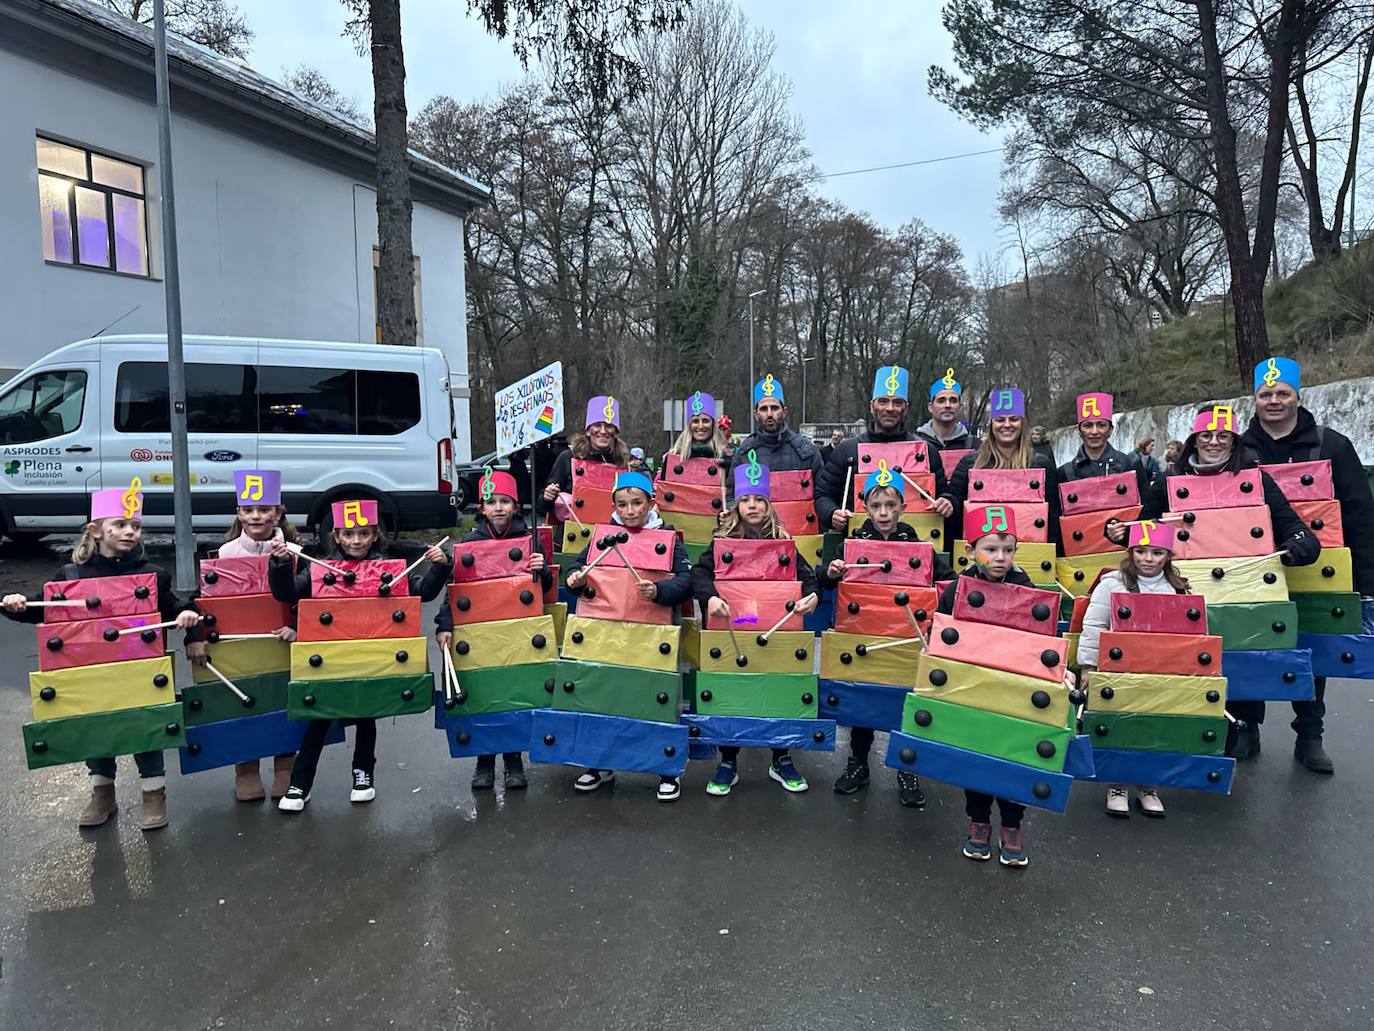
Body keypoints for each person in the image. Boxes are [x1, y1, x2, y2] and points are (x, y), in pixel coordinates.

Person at [2, 480, 202, 831]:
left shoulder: (151, 575)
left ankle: (154, 794)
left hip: (138, 667)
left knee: (146, 727)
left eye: (136, 526)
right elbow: (43, 608)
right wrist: (16, 605)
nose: (129, 532)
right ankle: (102, 793)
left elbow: (178, 606)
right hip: (89, 668)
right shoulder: (71, 575)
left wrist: (189, 623)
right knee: (96, 728)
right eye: (120, 525)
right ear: (96, 531)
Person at [1141, 404, 1320, 758]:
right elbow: (1145, 530)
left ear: (1234, 441)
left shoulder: (1256, 480)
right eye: (1206, 435)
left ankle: (1245, 725)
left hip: (1243, 588)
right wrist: (1117, 533)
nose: (1213, 442)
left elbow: (1292, 526)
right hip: (1188, 589)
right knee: (1190, 659)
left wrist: (1299, 545)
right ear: (1194, 440)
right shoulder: (1169, 483)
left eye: (1223, 436)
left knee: (1239, 653)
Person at [269, 500, 451, 811]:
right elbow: (286, 593)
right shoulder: (318, 570)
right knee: (319, 718)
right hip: (330, 657)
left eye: (363, 534)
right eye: (349, 534)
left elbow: (423, 592)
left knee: (368, 714)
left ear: (374, 535)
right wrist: (281, 563)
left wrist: (441, 565)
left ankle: (363, 774)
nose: (356, 541)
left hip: (371, 655)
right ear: (337, 536)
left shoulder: (389, 571)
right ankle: (300, 783)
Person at [1241, 356, 1374, 775]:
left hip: (1321, 566)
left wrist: (1365, 581)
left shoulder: (1331, 445)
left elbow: (1359, 513)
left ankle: (1309, 735)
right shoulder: (1237, 450)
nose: (1274, 401)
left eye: (1283, 394)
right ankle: (1247, 726)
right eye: (1266, 394)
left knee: (1313, 646)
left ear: (1299, 396)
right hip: (1254, 567)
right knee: (1249, 642)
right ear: (1255, 398)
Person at [818, 471, 952, 807]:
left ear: (902, 508)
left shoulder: (916, 545)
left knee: (902, 702)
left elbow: (947, 580)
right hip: (862, 634)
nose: (883, 512)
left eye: (890, 505)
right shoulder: (854, 542)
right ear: (865, 507)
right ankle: (858, 762)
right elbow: (824, 579)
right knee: (863, 704)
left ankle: (907, 768)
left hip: (904, 638)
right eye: (876, 505)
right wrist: (832, 572)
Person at [691, 461, 821, 796]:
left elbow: (807, 577)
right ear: (736, 504)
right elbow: (700, 574)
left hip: (776, 631)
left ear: (769, 505)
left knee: (775, 691)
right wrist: (710, 598)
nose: (753, 506)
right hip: (735, 628)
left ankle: (780, 756)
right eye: (747, 500)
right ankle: (729, 758)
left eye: (759, 500)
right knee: (732, 692)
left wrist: (812, 596)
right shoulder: (723, 539)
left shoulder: (782, 541)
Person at [564, 471, 694, 801]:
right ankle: (598, 763)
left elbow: (685, 581)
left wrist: (660, 589)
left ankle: (665, 769)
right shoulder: (602, 535)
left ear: (651, 502)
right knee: (603, 695)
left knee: (652, 698)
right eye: (622, 504)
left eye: (637, 503)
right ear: (614, 505)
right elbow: (578, 568)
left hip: (652, 633)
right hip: (605, 633)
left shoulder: (667, 537)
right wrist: (575, 580)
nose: (630, 510)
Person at [435, 468, 552, 792]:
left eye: (504, 501)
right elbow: (454, 588)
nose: (498, 507)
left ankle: (513, 760)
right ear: (482, 508)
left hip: (516, 628)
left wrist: (540, 572)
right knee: (484, 694)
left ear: (515, 507)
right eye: (491, 502)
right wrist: (444, 624)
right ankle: (484, 761)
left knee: (511, 692)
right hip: (479, 630)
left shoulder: (529, 540)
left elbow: (546, 589)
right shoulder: (470, 543)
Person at [937, 504, 1036, 867]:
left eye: (1007, 550)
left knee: (1013, 753)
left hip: (1013, 687)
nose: (1000, 557)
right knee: (976, 755)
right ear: (970, 550)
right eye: (991, 549)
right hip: (973, 686)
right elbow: (943, 636)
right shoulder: (956, 590)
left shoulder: (1027, 588)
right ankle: (978, 821)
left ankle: (1012, 824)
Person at [1077, 520, 1190, 817]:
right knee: (1121, 726)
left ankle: (1148, 784)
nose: (1148, 559)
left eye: (1156, 552)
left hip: (1159, 671)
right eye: (1141, 551)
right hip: (1119, 669)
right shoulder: (1111, 583)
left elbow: (1189, 633)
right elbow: (1093, 626)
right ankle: (1118, 785)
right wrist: (1088, 667)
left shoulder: (1177, 588)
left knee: (1153, 725)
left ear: (1168, 555)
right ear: (1131, 552)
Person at [217, 469, 300, 802]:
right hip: (242, 646)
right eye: (248, 509)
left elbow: (305, 598)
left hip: (284, 641)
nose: (256, 516)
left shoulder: (296, 552)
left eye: (264, 509)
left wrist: (298, 626)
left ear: (277, 512)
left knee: (284, 700)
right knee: (244, 699)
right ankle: (246, 769)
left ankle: (285, 768)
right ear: (238, 512)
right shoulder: (225, 555)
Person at [816, 365, 955, 532]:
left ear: (905, 408)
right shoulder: (846, 451)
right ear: (871, 406)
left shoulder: (926, 451)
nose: (890, 408)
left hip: (915, 542)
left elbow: (944, 493)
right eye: (883, 401)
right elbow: (823, 495)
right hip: (857, 543)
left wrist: (947, 502)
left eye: (897, 403)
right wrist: (831, 513)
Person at [940, 387, 1058, 534]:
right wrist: (948, 502)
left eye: (1014, 419)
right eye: (1000, 420)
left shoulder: (1041, 464)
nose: (1007, 425)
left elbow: (1053, 517)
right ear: (992, 425)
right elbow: (955, 505)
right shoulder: (969, 463)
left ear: (1022, 424)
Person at [730, 374, 823, 485]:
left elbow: (822, 493)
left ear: (784, 412)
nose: (769, 414)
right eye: (764, 409)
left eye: (774, 408)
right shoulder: (744, 453)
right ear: (756, 414)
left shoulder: (806, 451)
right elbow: (731, 496)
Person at [541, 397, 630, 513]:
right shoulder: (568, 458)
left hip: (610, 529)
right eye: (597, 425)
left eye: (609, 426)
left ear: (615, 432)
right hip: (574, 528)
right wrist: (548, 496)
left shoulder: (622, 463)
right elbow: (542, 506)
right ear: (588, 431)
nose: (603, 431)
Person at [1056, 393, 1150, 498]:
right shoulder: (1064, 473)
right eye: (1088, 426)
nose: (1094, 431)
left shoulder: (1130, 465)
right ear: (1079, 430)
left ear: (1110, 430)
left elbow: (1146, 507)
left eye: (1101, 425)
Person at [916, 368, 981, 453]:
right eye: (941, 401)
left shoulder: (975, 446)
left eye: (953, 401)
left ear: (960, 407)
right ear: (930, 407)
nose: (948, 405)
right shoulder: (915, 443)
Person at [662, 390, 729, 468]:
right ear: (689, 425)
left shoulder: (724, 457)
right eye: (695, 421)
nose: (700, 426)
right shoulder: (675, 455)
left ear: (713, 425)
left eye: (705, 421)